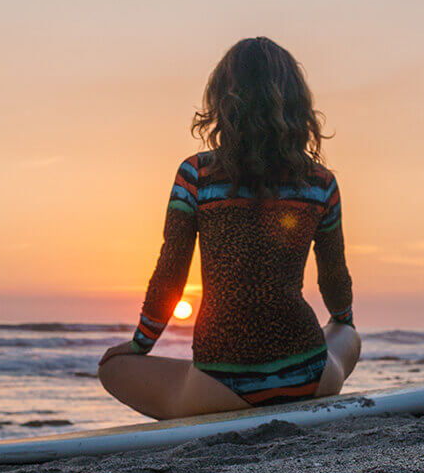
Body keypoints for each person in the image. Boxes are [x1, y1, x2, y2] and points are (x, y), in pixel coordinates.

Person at [97, 37, 361, 420]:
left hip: (219, 387)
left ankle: (216, 393)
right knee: (347, 333)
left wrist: (140, 344)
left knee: (111, 368)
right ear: (296, 104)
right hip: (309, 378)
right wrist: (343, 318)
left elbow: (171, 272)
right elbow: (334, 278)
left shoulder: (197, 175)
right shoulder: (320, 182)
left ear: (222, 100)